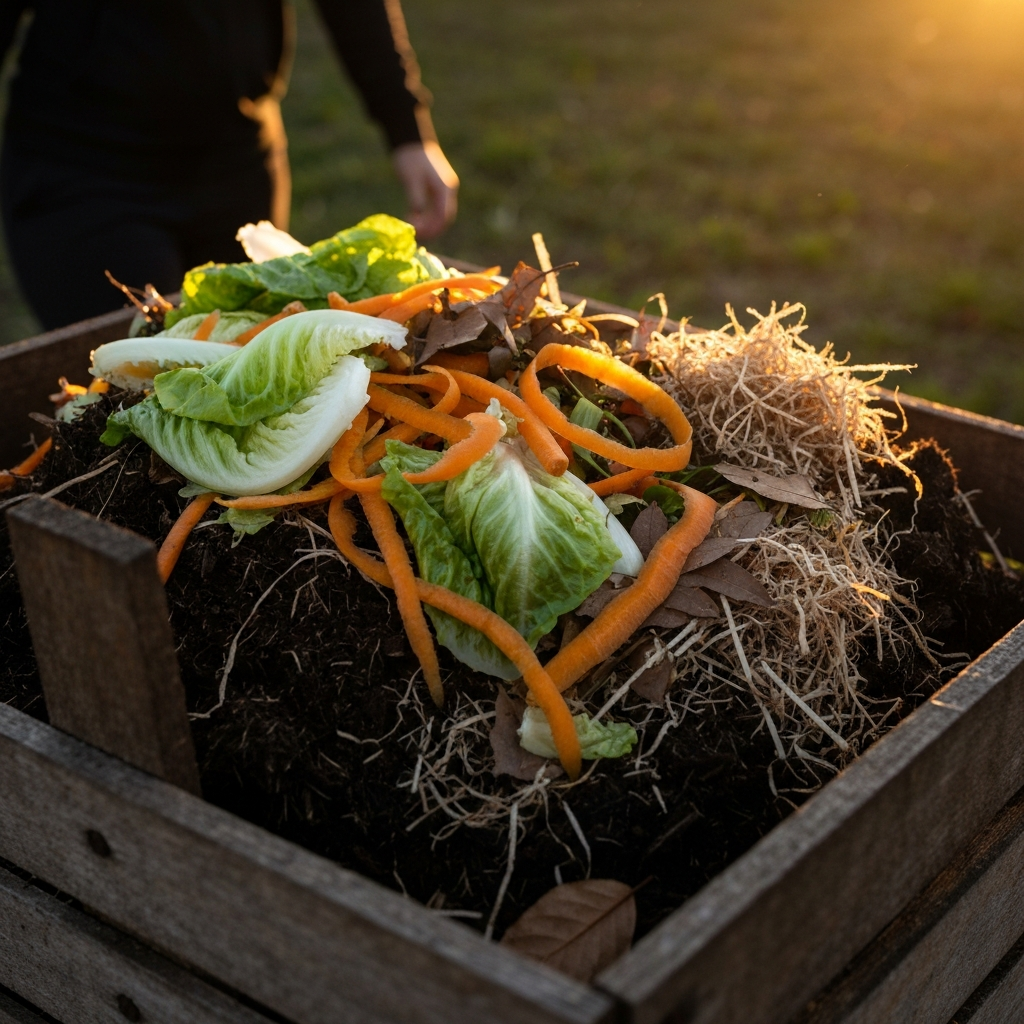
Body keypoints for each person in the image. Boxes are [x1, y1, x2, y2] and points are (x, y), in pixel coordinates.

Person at [0, 1, 459, 330]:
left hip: (241, 162)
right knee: (139, 385)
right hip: (86, 172)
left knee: (243, 358)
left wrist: (407, 129)